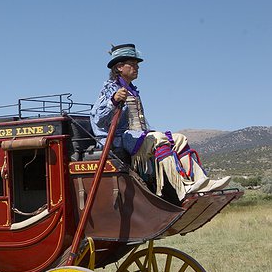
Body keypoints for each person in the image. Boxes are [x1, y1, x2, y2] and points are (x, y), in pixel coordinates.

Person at [91, 44, 230, 201]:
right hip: (119, 139)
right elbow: (97, 119)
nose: (137, 67)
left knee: (179, 138)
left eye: (137, 65)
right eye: (132, 64)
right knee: (159, 139)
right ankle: (181, 188)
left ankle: (200, 181)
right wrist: (113, 101)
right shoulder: (110, 90)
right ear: (119, 67)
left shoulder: (132, 90)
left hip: (137, 135)